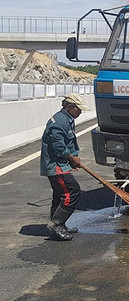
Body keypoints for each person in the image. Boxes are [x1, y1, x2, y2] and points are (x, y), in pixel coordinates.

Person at [40, 93, 90, 241]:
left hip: (61, 164)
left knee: (59, 194)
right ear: (69, 107)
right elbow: (58, 146)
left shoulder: (67, 119)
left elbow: (67, 143)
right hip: (55, 166)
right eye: (78, 109)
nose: (80, 112)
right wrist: (71, 158)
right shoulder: (59, 122)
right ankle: (57, 224)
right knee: (72, 192)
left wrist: (71, 161)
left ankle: (59, 224)